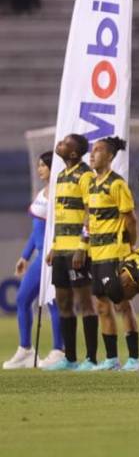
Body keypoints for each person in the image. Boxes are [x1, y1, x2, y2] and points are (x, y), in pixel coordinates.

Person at [81, 136, 139, 371]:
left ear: (110, 156)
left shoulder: (117, 184)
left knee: (121, 304)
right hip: (97, 254)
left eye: (98, 150)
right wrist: (84, 245)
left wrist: (129, 249)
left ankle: (134, 358)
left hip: (115, 253)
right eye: (92, 150)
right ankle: (112, 359)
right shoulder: (91, 184)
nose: (92, 154)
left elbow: (130, 220)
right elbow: (89, 217)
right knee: (102, 305)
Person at [42, 134, 99, 371]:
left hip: (77, 251)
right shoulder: (62, 175)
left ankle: (92, 359)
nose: (60, 145)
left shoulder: (85, 176)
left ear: (74, 153)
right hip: (62, 250)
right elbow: (62, 215)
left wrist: (82, 247)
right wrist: (55, 246)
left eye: (65, 143)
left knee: (84, 303)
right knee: (64, 302)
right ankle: (70, 358)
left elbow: (90, 212)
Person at [3, 152, 63, 369]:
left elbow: (63, 226)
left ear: (52, 168)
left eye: (43, 166)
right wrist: (24, 256)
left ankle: (59, 350)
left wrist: (56, 249)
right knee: (22, 299)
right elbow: (36, 230)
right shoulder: (42, 193)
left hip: (53, 256)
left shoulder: (59, 194)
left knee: (53, 302)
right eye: (38, 166)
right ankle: (26, 350)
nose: (39, 170)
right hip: (39, 257)